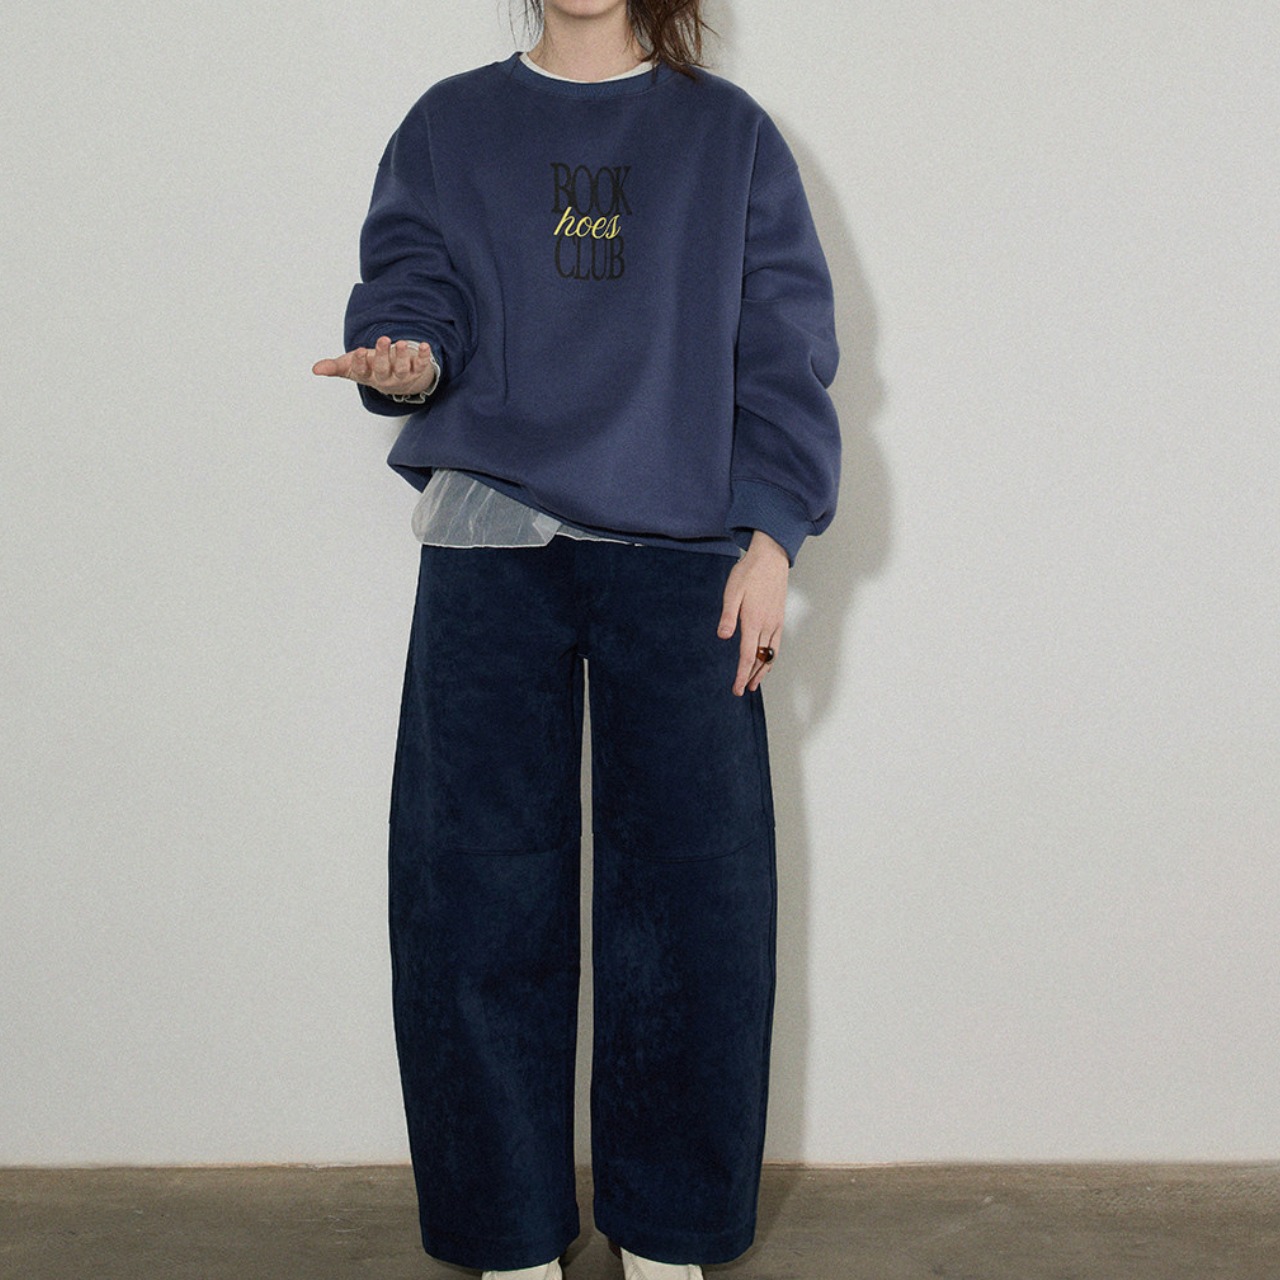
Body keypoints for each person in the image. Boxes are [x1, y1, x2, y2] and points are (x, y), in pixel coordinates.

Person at [312, 2, 840, 1277]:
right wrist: (404, 358)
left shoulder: (727, 135)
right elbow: (412, 289)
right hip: (491, 542)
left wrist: (772, 537)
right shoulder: (449, 124)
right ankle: (503, 1230)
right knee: (471, 887)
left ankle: (669, 1227)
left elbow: (782, 347)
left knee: (697, 891)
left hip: (685, 551)